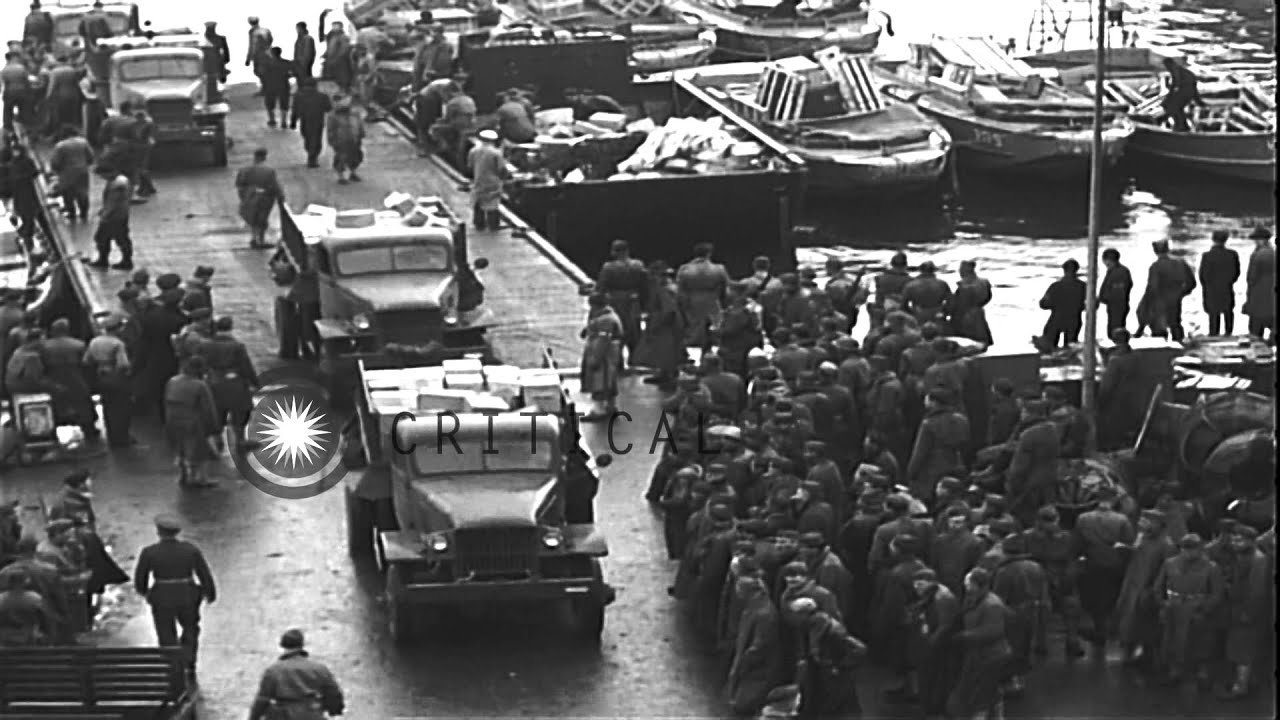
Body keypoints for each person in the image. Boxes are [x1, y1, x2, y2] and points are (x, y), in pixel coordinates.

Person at [133, 515, 216, 676]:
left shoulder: (150, 552)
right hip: (187, 595)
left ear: (159, 532)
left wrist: (146, 593)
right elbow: (203, 573)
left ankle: (171, 663)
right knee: (190, 628)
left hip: (162, 596)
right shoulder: (190, 549)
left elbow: (140, 578)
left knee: (165, 631)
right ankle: (189, 660)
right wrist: (209, 592)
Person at [1154, 533, 1223, 686]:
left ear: (1201, 549)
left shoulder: (1211, 567)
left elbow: (1217, 593)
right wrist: (1163, 604)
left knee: (1201, 641)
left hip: (1197, 607)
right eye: (1185, 548)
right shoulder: (1169, 563)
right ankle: (1175, 669)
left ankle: (1202, 671)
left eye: (1193, 549)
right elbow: (1158, 586)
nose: (1189, 552)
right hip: (1174, 606)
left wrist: (1205, 608)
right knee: (1172, 639)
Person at [248, 629, 346, 720]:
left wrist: (254, 717)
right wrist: (335, 710)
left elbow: (263, 699)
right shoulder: (319, 669)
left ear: (282, 645)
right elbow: (333, 693)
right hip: (312, 714)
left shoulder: (274, 670)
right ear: (301, 645)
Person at [197, 317, 258, 454]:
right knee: (240, 411)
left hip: (213, 381)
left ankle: (217, 439)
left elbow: (201, 363)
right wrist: (254, 382)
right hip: (234, 382)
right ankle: (240, 440)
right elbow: (245, 366)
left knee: (217, 412)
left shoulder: (205, 345)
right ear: (230, 328)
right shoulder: (237, 346)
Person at [164, 356, 220, 487]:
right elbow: (208, 409)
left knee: (180, 448)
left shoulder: (172, 381)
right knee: (198, 451)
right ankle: (200, 478)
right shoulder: (200, 385)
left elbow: (165, 400)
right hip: (192, 420)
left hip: (172, 418)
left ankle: (183, 475)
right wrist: (213, 428)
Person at [580, 290, 624, 421]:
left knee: (600, 381)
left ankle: (598, 411)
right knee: (609, 382)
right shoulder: (609, 316)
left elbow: (602, 341)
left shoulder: (605, 320)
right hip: (610, 353)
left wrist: (595, 359)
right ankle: (611, 407)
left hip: (604, 355)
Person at [676, 243, 731, 349]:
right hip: (712, 302)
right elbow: (726, 290)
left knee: (693, 333)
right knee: (715, 331)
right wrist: (724, 304)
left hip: (692, 303)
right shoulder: (719, 269)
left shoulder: (684, 269)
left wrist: (683, 306)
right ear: (709, 254)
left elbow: (680, 292)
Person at [1096, 329, 1144, 447]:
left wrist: (1099, 402)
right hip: (1134, 397)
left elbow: (1107, 387)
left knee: (1114, 430)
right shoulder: (1137, 357)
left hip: (1116, 400)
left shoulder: (1115, 362)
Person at [1142, 240, 1196, 341]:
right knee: (1175, 323)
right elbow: (1191, 282)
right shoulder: (1181, 263)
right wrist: (1181, 293)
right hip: (1176, 298)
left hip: (1159, 300)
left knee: (1158, 327)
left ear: (1155, 251)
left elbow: (1152, 287)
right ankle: (1179, 345)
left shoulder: (1156, 266)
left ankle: (1160, 349)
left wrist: (1146, 302)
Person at [235, 147, 284, 249]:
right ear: (264, 157)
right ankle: (260, 240)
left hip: (249, 197)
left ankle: (254, 238)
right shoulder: (269, 171)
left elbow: (239, 185)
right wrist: (280, 197)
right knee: (262, 219)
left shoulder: (245, 170)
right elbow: (274, 186)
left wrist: (244, 197)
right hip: (264, 199)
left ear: (255, 156)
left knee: (253, 219)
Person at [87, 161, 132, 270]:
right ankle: (107, 259)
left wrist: (105, 214)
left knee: (105, 238)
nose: (102, 177)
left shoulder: (118, 184)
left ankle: (114, 260)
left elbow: (114, 202)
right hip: (119, 214)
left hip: (114, 217)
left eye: (102, 175)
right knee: (115, 238)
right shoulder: (119, 180)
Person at [1199, 229, 1241, 336]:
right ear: (1226, 240)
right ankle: (1228, 333)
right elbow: (1236, 273)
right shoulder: (1232, 254)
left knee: (1213, 314)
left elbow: (1203, 276)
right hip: (1227, 287)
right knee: (1228, 312)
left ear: (1213, 239)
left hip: (1212, 289)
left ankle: (1213, 335)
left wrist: (1207, 286)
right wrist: (1229, 281)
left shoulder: (1207, 256)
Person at [1037, 259, 1086, 350]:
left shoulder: (1055, 286)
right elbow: (1092, 305)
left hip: (1056, 319)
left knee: (1049, 347)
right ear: (1077, 270)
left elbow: (1043, 304)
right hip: (1074, 320)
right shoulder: (1083, 286)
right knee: (1071, 348)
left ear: (1064, 270)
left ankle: (1048, 362)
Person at [48, 125, 94, 222]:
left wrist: (56, 171)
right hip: (82, 171)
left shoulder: (60, 146)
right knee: (82, 192)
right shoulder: (83, 142)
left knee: (68, 194)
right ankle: (84, 213)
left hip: (66, 173)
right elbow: (90, 157)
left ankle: (71, 213)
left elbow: (55, 162)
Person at [467, 129, 507, 231]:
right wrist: (504, 179)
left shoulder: (473, 151)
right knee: (493, 204)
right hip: (492, 181)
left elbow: (470, 166)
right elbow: (501, 168)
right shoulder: (496, 153)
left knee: (478, 202)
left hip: (478, 179)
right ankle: (493, 224)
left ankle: (479, 223)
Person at [290, 78, 332, 169]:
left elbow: (295, 110)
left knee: (308, 138)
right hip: (318, 121)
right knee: (316, 139)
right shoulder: (322, 96)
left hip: (304, 121)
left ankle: (311, 155)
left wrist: (293, 122)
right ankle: (313, 156)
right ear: (316, 85)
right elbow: (329, 108)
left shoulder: (298, 96)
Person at [1243, 227, 1274, 342]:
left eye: (1256, 240)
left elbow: (1251, 278)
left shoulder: (1257, 255)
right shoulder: (1273, 253)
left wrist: (1248, 300)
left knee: (1255, 331)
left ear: (1262, 240)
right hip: (1272, 300)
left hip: (1258, 298)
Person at [326, 96, 364, 184]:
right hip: (341, 140)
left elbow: (359, 124)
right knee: (341, 158)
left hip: (354, 138)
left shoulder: (354, 113)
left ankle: (353, 172)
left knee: (356, 157)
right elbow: (330, 129)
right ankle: (341, 176)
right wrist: (332, 141)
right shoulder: (333, 116)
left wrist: (361, 134)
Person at [1095, 247, 1133, 334]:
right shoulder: (1119, 271)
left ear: (1107, 260)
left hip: (1117, 306)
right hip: (1117, 306)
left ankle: (1119, 345)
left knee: (1115, 330)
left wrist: (1102, 298)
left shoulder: (1119, 272)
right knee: (1115, 329)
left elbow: (1118, 292)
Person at [1160, 57, 1204, 132]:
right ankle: (1182, 125)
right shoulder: (1178, 69)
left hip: (1186, 91)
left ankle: (1181, 126)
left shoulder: (1175, 69)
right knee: (1175, 108)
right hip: (1187, 91)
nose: (1166, 67)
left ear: (1170, 64)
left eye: (1166, 65)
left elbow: (1176, 83)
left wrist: (1169, 96)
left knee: (1172, 107)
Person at [901, 261, 951, 325]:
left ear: (920, 270)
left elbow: (903, 305)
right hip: (937, 317)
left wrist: (912, 315)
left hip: (918, 316)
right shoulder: (942, 284)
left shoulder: (910, 285)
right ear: (933, 270)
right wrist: (944, 313)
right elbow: (951, 302)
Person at [44, 57, 83, 134]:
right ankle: (71, 133)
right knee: (71, 116)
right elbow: (77, 83)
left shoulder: (55, 72)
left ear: (58, 62)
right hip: (73, 96)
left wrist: (48, 97)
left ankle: (61, 134)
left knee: (61, 117)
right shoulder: (72, 70)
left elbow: (52, 86)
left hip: (61, 97)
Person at [412, 23, 454, 93]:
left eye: (434, 32)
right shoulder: (427, 46)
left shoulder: (445, 46)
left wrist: (432, 73)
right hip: (425, 80)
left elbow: (444, 64)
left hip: (437, 80)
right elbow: (419, 65)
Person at [261, 47, 294, 128]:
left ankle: (272, 120)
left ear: (272, 53)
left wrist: (263, 87)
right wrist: (286, 76)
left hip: (270, 86)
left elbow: (263, 76)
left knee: (270, 104)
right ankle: (283, 122)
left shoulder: (267, 63)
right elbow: (292, 73)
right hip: (283, 85)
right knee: (284, 104)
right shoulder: (286, 62)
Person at [3, 52, 34, 130]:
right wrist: (29, 91)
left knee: (7, 112)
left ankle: (8, 129)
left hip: (9, 93)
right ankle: (24, 128)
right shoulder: (21, 68)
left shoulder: (4, 70)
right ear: (13, 58)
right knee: (24, 111)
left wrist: (3, 94)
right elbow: (27, 81)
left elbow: (2, 84)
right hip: (22, 92)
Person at [322, 21, 353, 92]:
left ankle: (345, 92)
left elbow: (344, 49)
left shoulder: (343, 37)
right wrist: (325, 54)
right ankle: (341, 92)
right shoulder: (333, 37)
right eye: (333, 26)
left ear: (341, 27)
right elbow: (330, 48)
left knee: (343, 78)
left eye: (336, 26)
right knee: (336, 79)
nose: (333, 27)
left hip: (341, 62)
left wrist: (337, 59)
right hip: (333, 61)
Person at [246, 17, 274, 94]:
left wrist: (248, 58)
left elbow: (252, 45)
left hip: (258, 55)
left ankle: (265, 89)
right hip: (269, 53)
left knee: (259, 72)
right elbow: (271, 40)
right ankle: (268, 88)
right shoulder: (266, 30)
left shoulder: (252, 32)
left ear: (250, 23)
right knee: (266, 71)